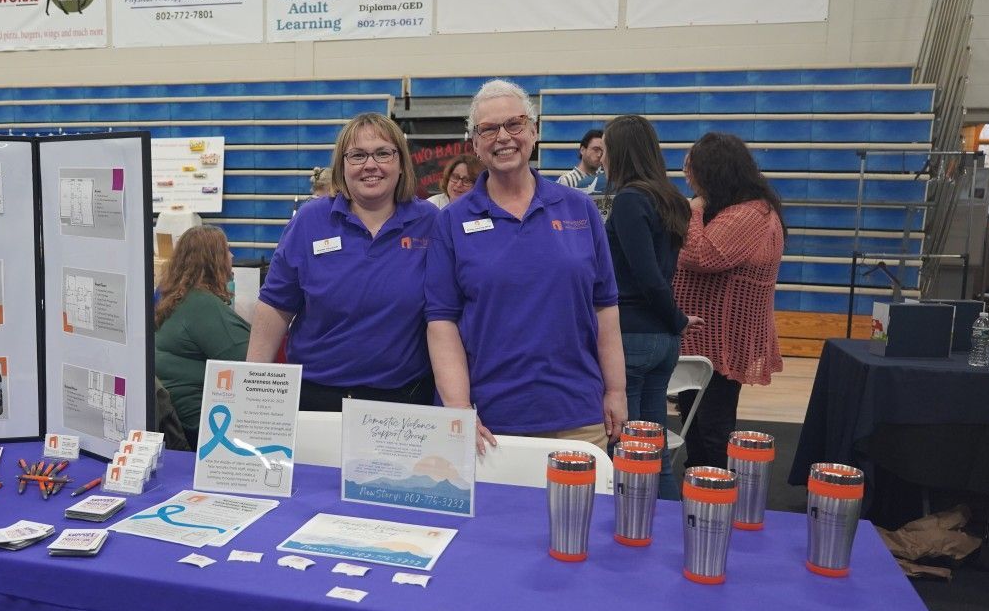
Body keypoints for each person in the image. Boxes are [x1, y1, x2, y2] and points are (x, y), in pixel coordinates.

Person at [426, 79, 625, 453]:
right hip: (486, 423)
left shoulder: (579, 210)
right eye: (488, 129)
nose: (503, 137)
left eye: (514, 124)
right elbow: (441, 321)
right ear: (475, 144)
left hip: (577, 416)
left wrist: (616, 390)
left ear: (533, 132)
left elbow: (605, 308)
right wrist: (457, 409)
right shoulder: (450, 221)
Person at [249, 112, 438, 411]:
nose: (370, 165)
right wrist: (252, 386)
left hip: (403, 402)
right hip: (316, 396)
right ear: (342, 166)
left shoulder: (430, 222)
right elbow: (275, 305)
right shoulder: (310, 221)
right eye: (357, 155)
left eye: (383, 153)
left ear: (401, 163)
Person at [673, 131, 785, 471]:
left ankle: (716, 491)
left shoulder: (750, 214)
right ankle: (699, 484)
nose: (686, 176)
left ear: (715, 172)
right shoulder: (736, 209)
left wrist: (692, 208)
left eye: (692, 169)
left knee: (712, 427)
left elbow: (702, 255)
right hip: (703, 337)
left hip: (721, 341)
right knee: (694, 420)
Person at [602, 114, 700, 499]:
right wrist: (673, 322)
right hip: (661, 339)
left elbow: (647, 276)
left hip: (632, 336)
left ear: (621, 153)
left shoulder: (630, 200)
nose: (603, 159)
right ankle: (666, 538)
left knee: (625, 452)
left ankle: (626, 534)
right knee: (655, 455)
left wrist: (675, 318)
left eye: (607, 150)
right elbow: (661, 274)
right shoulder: (669, 199)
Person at [154, 226, 252, 449]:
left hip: (176, 419)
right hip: (200, 426)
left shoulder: (174, 299)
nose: (232, 256)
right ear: (213, 260)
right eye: (227, 250)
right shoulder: (203, 305)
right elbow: (252, 363)